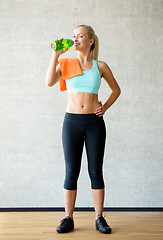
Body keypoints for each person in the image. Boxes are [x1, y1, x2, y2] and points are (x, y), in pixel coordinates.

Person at [45, 24, 121, 234]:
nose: (75, 39)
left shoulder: (101, 66)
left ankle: (99, 218)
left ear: (91, 40)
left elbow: (117, 90)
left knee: (95, 171)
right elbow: (49, 81)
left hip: (94, 124)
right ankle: (68, 218)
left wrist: (105, 106)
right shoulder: (66, 62)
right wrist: (55, 55)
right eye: (73, 36)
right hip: (72, 123)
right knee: (71, 171)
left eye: (80, 36)